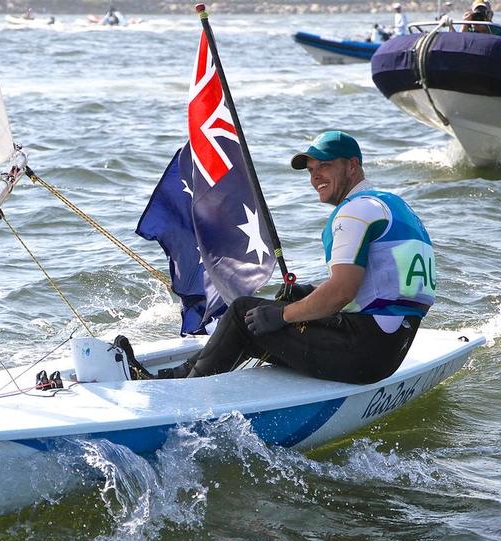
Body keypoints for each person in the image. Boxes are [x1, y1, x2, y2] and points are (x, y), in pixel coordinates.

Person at [117, 131, 436, 384]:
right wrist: (308, 295)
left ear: (352, 165)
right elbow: (380, 286)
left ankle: (174, 389)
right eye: (311, 170)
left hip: (366, 352)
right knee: (264, 317)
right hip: (393, 344)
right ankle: (184, 374)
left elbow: (342, 292)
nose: (316, 177)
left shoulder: (353, 213)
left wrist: (283, 317)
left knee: (245, 312)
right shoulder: (393, 206)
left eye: (325, 165)